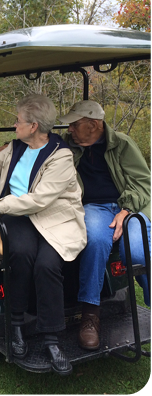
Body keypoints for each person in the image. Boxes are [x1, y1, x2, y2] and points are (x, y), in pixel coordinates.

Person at [0, 94, 86, 376]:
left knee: (47, 265)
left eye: (17, 121)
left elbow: (40, 200)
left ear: (33, 126)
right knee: (20, 253)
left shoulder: (61, 156)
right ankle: (15, 325)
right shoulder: (15, 148)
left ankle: (52, 339)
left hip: (54, 218)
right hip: (17, 217)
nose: (13, 125)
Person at [59, 100, 151, 351]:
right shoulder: (67, 145)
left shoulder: (121, 144)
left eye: (75, 124)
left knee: (139, 251)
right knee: (97, 241)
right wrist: (6, 148)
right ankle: (90, 316)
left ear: (94, 124)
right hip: (93, 208)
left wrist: (126, 210)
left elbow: (144, 183)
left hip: (127, 206)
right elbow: (34, 143)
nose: (70, 129)